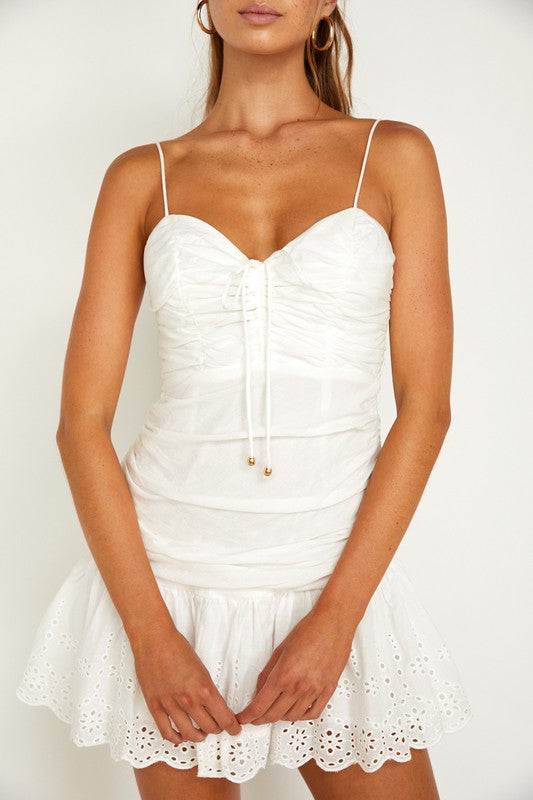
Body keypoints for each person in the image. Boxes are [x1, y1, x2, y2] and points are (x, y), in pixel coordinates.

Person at [16, 1, 473, 798]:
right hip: (168, 576)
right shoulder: (141, 175)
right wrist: (151, 636)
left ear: (327, 2)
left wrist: (335, 624)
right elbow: (80, 423)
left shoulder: (393, 156)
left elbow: (425, 406)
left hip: (331, 568)